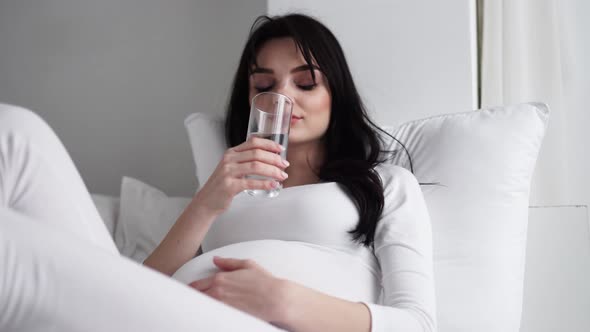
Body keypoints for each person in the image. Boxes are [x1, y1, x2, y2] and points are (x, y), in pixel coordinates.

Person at [0, 13, 435, 332]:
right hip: (159, 316)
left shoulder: (384, 185)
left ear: (335, 96)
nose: (282, 95)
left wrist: (283, 299)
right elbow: (134, 286)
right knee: (15, 133)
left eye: (305, 83)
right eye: (264, 85)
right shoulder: (225, 190)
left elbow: (418, 324)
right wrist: (207, 201)